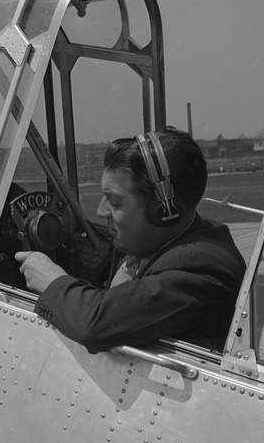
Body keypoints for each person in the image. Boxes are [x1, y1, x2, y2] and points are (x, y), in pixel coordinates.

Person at [15, 127, 246, 353]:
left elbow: (95, 326)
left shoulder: (204, 267)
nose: (100, 211)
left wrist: (52, 280)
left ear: (164, 212)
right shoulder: (159, 243)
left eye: (114, 202)